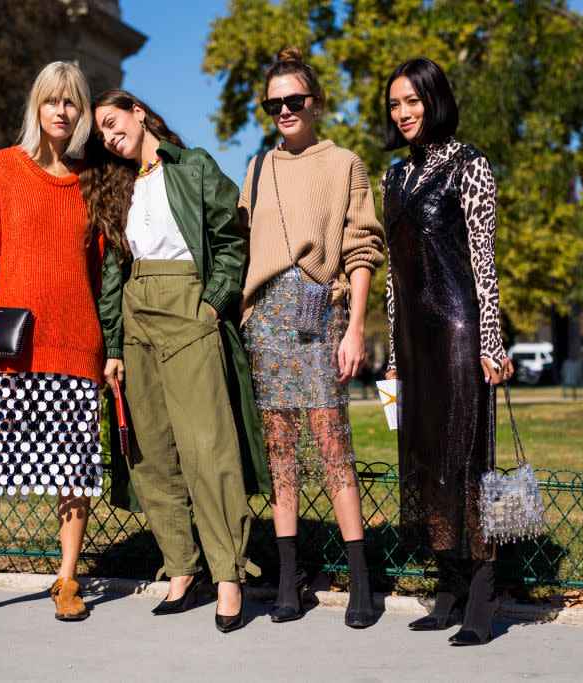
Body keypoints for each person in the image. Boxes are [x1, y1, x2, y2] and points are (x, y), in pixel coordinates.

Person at [83, 89, 271, 634]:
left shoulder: (193, 167)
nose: (110, 137)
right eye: (103, 135)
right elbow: (116, 271)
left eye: (114, 123)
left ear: (139, 113)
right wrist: (113, 347)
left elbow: (231, 238)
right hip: (134, 311)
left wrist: (213, 302)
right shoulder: (117, 187)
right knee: (151, 451)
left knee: (206, 445)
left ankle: (228, 574)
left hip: (188, 305)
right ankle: (181, 570)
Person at [0, 61, 102, 622]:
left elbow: (105, 270)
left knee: (72, 471)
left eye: (73, 102)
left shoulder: (96, 178)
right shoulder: (4, 168)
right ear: (37, 107)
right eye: (52, 100)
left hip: (77, 345)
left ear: (82, 113)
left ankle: (66, 580)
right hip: (13, 352)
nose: (62, 111)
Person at [239, 47, 386, 629]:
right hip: (267, 321)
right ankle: (288, 578)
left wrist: (354, 328)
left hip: (319, 313)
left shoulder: (344, 163)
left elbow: (362, 247)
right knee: (281, 456)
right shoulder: (256, 168)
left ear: (316, 102)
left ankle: (362, 582)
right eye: (273, 103)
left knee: (332, 446)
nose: (284, 110)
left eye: (294, 100)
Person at [381, 57, 515, 646]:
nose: (404, 113)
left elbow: (483, 263)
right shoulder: (393, 178)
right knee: (429, 459)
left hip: (459, 329)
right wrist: (391, 354)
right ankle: (449, 586)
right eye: (395, 104)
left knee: (467, 460)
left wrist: (492, 340)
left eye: (413, 100)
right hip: (414, 339)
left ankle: (483, 594)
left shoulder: (471, 166)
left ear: (435, 101)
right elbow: (391, 274)